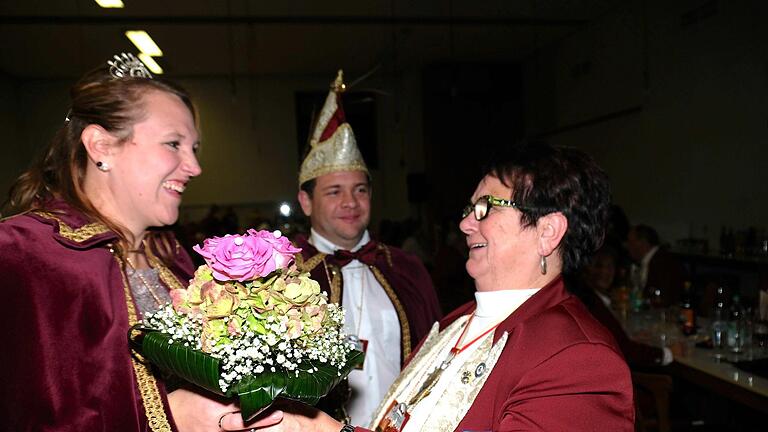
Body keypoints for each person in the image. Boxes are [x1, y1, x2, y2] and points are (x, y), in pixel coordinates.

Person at [223, 141, 635, 431]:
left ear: (548, 231)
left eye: (485, 209)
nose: (465, 223)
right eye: (469, 208)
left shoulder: (579, 359)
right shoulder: (458, 323)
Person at [0, 53, 242, 431]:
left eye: (194, 148)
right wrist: (169, 417)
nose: (195, 167)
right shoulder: (22, 253)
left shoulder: (172, 257)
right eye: (174, 144)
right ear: (101, 146)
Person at [292, 70, 442, 425]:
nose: (351, 202)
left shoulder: (406, 268)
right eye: (334, 191)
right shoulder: (283, 277)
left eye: (360, 189)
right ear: (305, 201)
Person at [569, 246, 673, 368]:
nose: (604, 272)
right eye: (598, 266)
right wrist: (667, 353)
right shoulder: (592, 304)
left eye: (609, 267)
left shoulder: (588, 298)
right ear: (586, 269)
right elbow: (625, 351)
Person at [626, 224, 685, 307]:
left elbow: (663, 299)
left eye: (631, 242)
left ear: (643, 243)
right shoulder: (649, 261)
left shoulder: (664, 263)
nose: (627, 246)